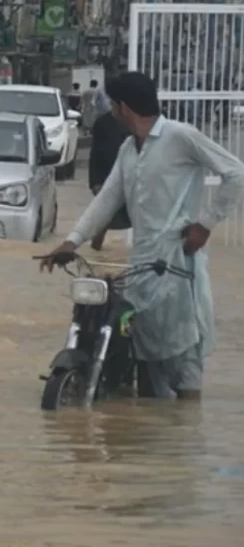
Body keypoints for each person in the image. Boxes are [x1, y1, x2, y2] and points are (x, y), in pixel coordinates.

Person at [42, 71, 244, 401]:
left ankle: (185, 423)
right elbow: (108, 199)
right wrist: (72, 241)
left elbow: (235, 172)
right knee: (143, 361)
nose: (111, 112)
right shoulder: (128, 149)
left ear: (123, 107)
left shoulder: (181, 137)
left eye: (112, 105)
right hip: (141, 265)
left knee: (184, 363)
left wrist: (206, 224)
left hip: (178, 263)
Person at [87, 109, 131, 251]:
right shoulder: (102, 123)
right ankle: (94, 253)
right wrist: (95, 182)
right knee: (101, 223)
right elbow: (95, 154)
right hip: (107, 180)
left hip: (133, 181)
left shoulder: (137, 123)